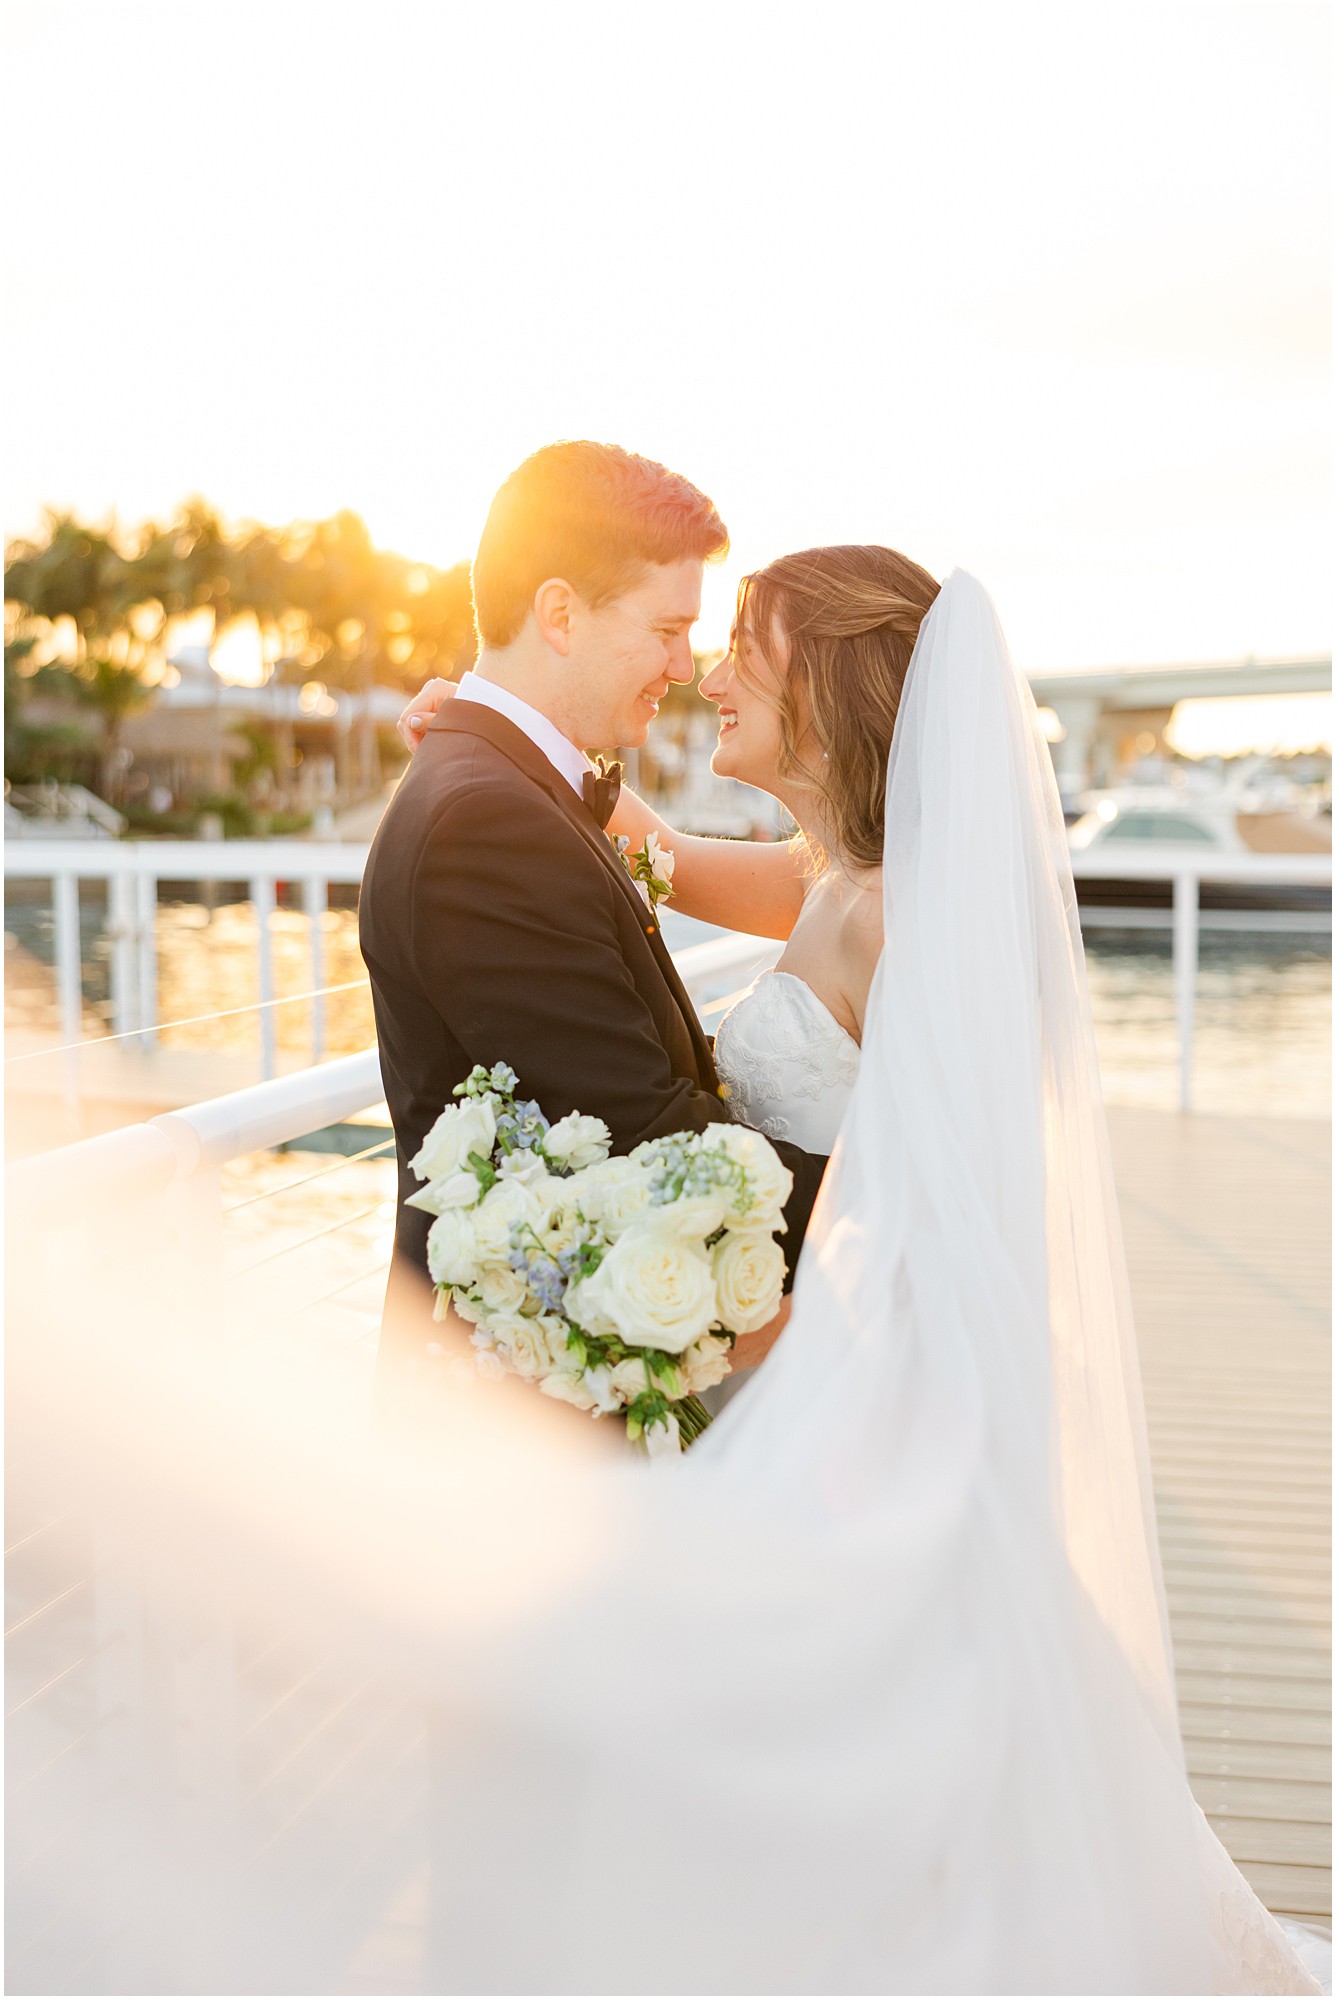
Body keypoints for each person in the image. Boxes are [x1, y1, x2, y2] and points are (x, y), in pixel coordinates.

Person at [396, 548, 1326, 1994]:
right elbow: (645, 852)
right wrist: (500, 729)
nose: (710, 673)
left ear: (826, 692)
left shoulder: (902, 919)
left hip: (839, 1383)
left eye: (745, 651)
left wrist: (777, 1357)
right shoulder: (835, 881)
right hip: (783, 1361)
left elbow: (938, 1206)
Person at [358, 441, 829, 1396]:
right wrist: (910, 1190)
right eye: (667, 627)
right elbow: (646, 1135)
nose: (686, 666)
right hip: (519, 1440)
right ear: (561, 613)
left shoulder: (505, 788)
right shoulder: (484, 819)